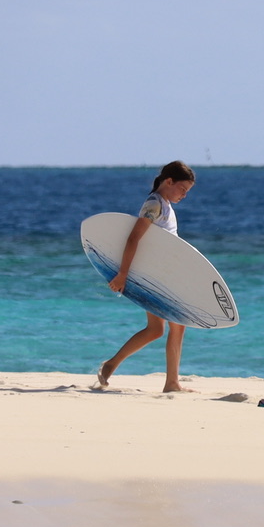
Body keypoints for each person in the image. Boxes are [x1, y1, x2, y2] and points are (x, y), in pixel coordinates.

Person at [96, 161, 197, 393]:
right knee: (175, 326)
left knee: (158, 329)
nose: (184, 195)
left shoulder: (165, 205)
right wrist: (122, 275)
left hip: (162, 274)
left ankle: (112, 364)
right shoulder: (154, 204)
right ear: (168, 181)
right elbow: (133, 238)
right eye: (182, 189)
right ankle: (171, 383)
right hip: (157, 277)